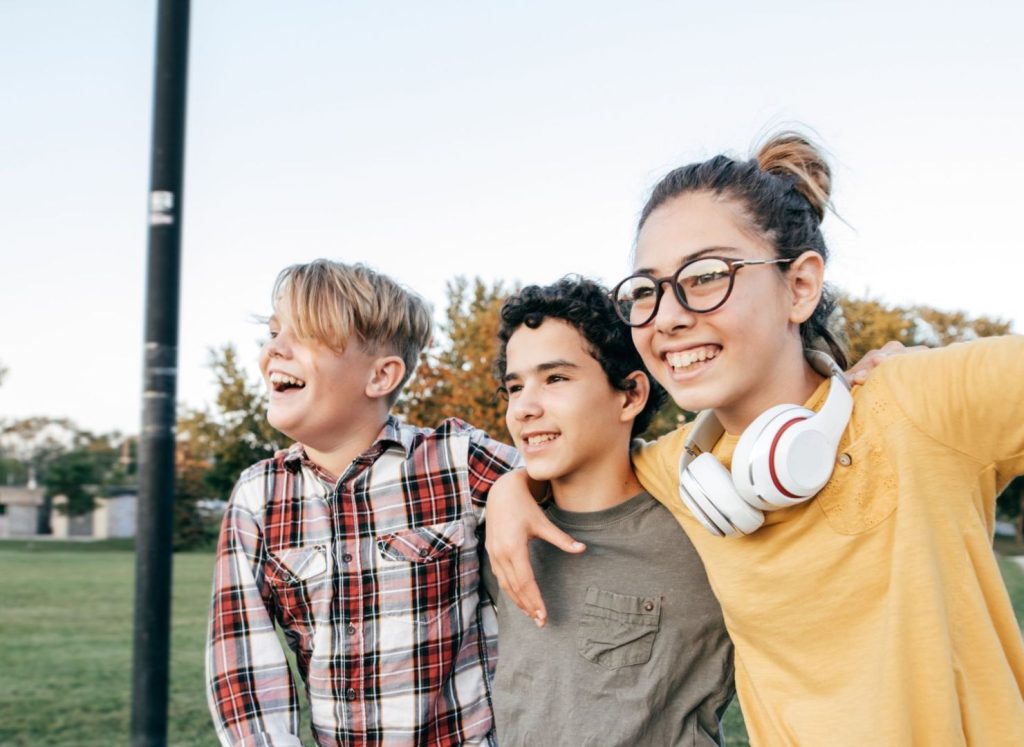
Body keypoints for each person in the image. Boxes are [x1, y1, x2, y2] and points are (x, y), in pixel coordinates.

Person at [485, 133, 1024, 745]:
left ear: (799, 287)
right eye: (646, 290)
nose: (668, 316)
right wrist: (512, 486)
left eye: (707, 275)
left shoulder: (921, 400)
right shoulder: (681, 468)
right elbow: (581, 452)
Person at [205, 260, 519, 746]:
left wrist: (520, 487)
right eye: (272, 332)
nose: (274, 350)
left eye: (303, 336)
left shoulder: (456, 459)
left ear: (381, 376)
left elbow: (573, 474)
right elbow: (244, 668)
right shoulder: (257, 496)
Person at [482, 277, 734, 745]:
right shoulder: (500, 536)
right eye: (514, 387)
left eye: (555, 378)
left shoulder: (703, 523)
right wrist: (508, 487)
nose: (523, 409)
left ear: (630, 395)